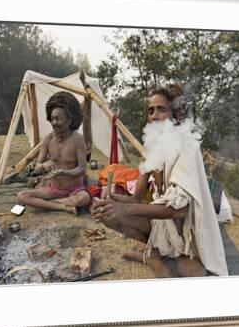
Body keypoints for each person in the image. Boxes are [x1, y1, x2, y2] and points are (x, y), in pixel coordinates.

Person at [92, 86, 228, 277]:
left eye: (161, 109)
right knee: (109, 216)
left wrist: (125, 209)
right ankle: (154, 253)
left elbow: (178, 210)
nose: (154, 116)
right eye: (151, 110)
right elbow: (136, 198)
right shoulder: (153, 146)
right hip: (165, 225)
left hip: (188, 230)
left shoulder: (188, 146)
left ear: (176, 116)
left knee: (191, 274)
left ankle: (155, 255)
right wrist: (113, 200)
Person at [17, 91, 90, 214]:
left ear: (69, 120)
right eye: (52, 119)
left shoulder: (77, 139)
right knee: (21, 195)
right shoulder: (48, 139)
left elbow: (82, 169)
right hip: (53, 189)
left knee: (84, 198)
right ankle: (63, 206)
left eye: (58, 119)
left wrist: (64, 172)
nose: (54, 123)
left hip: (74, 189)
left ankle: (48, 204)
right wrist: (44, 166)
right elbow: (38, 166)